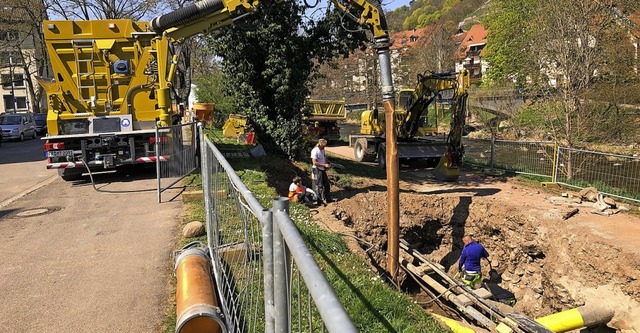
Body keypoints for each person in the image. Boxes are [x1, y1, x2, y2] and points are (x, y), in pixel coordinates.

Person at [310, 138, 332, 205]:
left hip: (322, 169)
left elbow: (323, 158)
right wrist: (324, 165)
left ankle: (328, 199)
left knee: (326, 184)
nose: (324, 147)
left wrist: (327, 163)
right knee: (319, 185)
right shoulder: (315, 150)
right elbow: (314, 162)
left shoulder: (322, 150)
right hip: (317, 169)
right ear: (320, 144)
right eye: (324, 145)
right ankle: (319, 201)